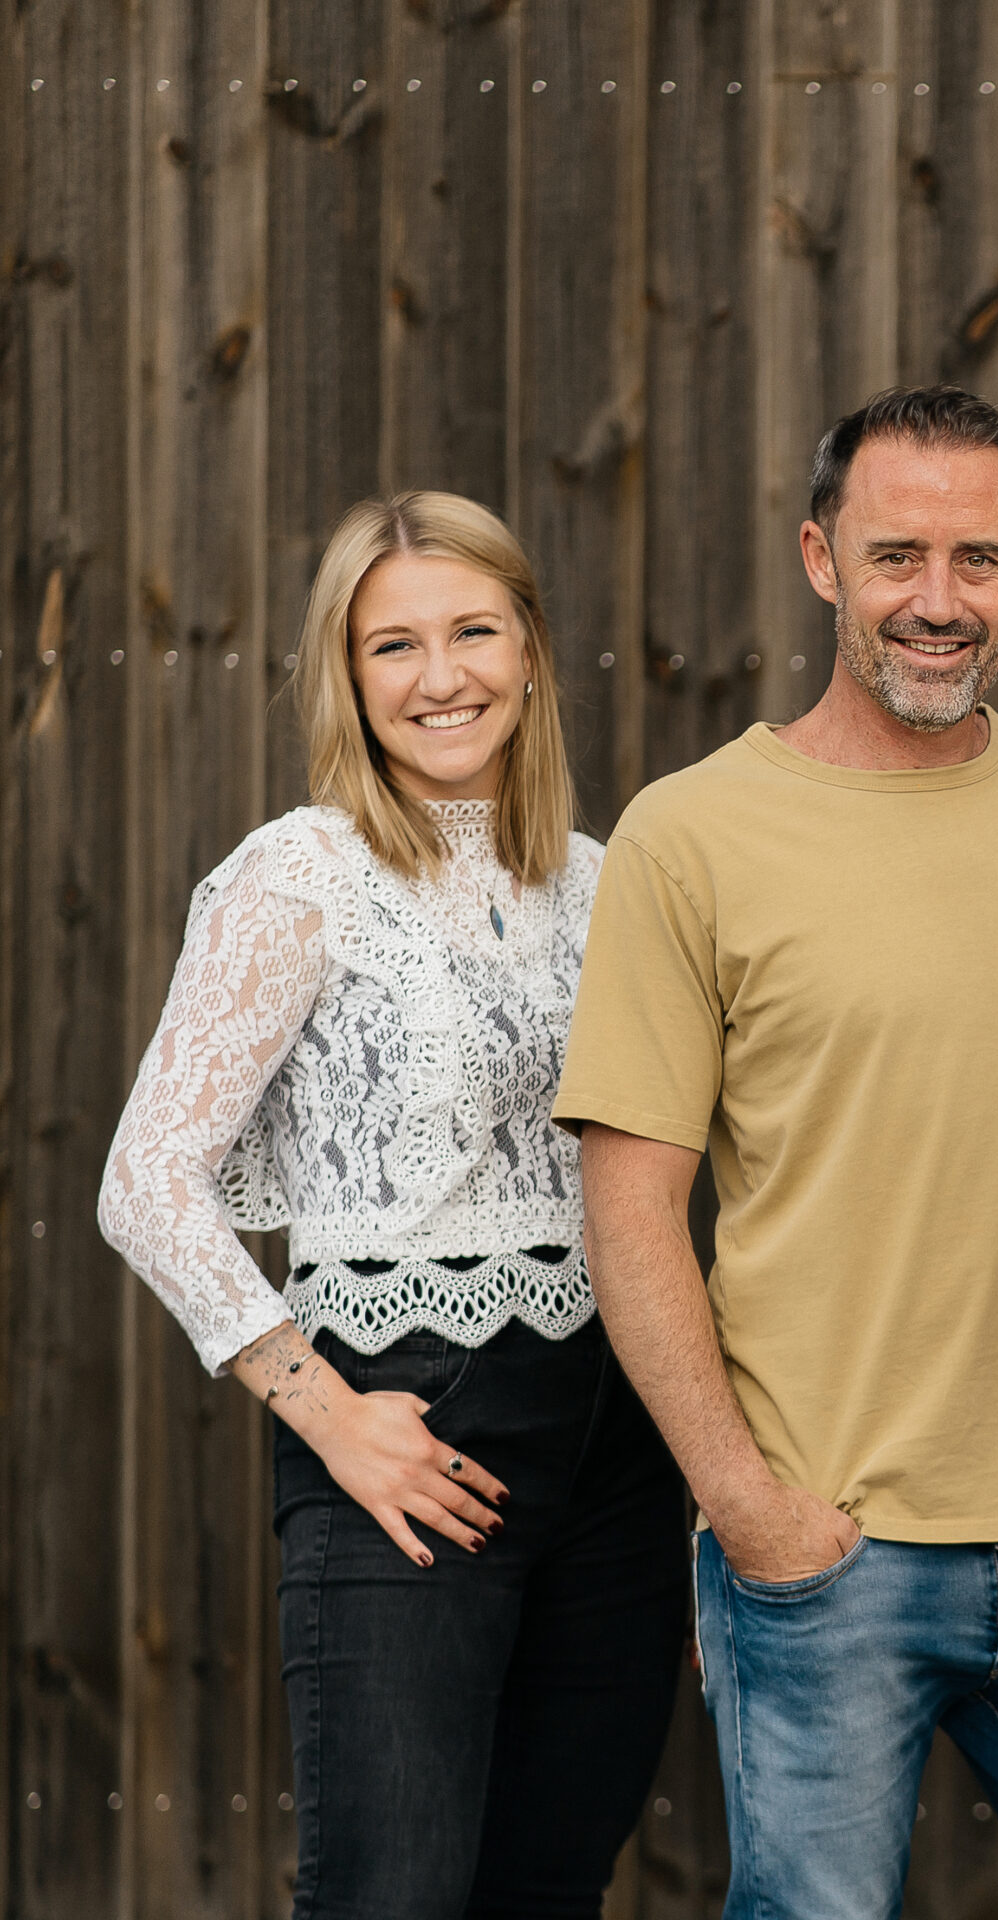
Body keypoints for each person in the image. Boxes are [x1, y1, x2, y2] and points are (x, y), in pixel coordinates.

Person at [553, 387, 998, 1920]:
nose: (936, 602)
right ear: (822, 560)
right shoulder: (688, 836)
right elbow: (631, 1214)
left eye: (975, 558)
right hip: (834, 1552)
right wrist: (751, 1509)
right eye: (898, 557)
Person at [97, 493, 688, 1916]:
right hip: (408, 1419)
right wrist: (325, 1410)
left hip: (614, 1437)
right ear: (347, 677)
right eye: (394, 646)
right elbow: (145, 1180)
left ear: (532, 649)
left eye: (474, 631)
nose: (442, 678)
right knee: (391, 1892)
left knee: (547, 1887)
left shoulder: (607, 884)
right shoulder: (302, 876)